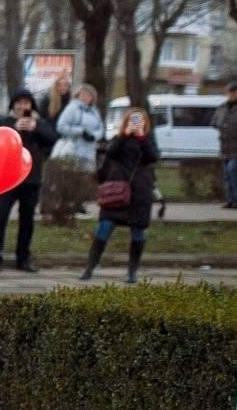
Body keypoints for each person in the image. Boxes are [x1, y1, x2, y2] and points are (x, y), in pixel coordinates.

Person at [83, 109, 160, 284]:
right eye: (132, 120)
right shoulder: (119, 140)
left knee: (138, 233)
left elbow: (153, 157)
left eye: (140, 121)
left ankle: (132, 271)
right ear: (126, 123)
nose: (136, 123)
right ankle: (89, 268)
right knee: (103, 228)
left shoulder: (148, 140)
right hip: (117, 193)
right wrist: (125, 136)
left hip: (139, 195)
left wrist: (141, 137)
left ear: (145, 123)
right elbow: (111, 153)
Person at [0, 89, 55, 273]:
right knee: (0, 217)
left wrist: (35, 128)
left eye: (26, 103)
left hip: (31, 179)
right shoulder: (4, 123)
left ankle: (23, 258)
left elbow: (53, 138)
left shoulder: (39, 123)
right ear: (13, 104)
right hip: (6, 178)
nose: (22, 106)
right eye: (19, 102)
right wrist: (13, 129)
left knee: (27, 220)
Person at [53, 82, 106, 165]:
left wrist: (94, 136)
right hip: (73, 150)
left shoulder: (95, 111)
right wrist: (80, 131)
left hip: (90, 151)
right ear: (78, 96)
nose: (85, 98)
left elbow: (101, 128)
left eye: (89, 95)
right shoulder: (72, 108)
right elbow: (61, 126)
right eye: (83, 95)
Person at [219, 81, 237, 209]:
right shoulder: (224, 107)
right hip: (226, 146)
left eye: (234, 92)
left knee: (233, 169)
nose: (231, 95)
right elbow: (216, 120)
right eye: (229, 92)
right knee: (227, 173)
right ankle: (230, 199)